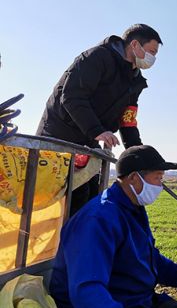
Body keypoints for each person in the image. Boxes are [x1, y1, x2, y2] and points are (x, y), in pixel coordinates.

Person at [49, 145, 177, 308]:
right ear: (133, 178)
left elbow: (148, 256)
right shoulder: (98, 219)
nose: (161, 186)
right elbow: (87, 292)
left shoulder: (131, 209)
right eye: (157, 178)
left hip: (130, 298)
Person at [36, 24, 162, 216]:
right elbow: (72, 97)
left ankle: (84, 235)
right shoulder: (97, 58)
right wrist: (97, 130)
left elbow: (128, 120)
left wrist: (140, 156)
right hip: (59, 138)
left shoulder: (135, 80)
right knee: (60, 204)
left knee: (89, 200)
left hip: (89, 145)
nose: (153, 58)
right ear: (135, 45)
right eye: (151, 52)